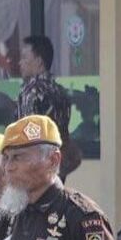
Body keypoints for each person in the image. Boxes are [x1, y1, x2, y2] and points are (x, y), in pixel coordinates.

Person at [17, 35, 79, 180]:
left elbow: (27, 134)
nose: (20, 63)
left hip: (35, 167)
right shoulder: (59, 91)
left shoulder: (31, 91)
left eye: (25, 57)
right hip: (58, 162)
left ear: (39, 61)